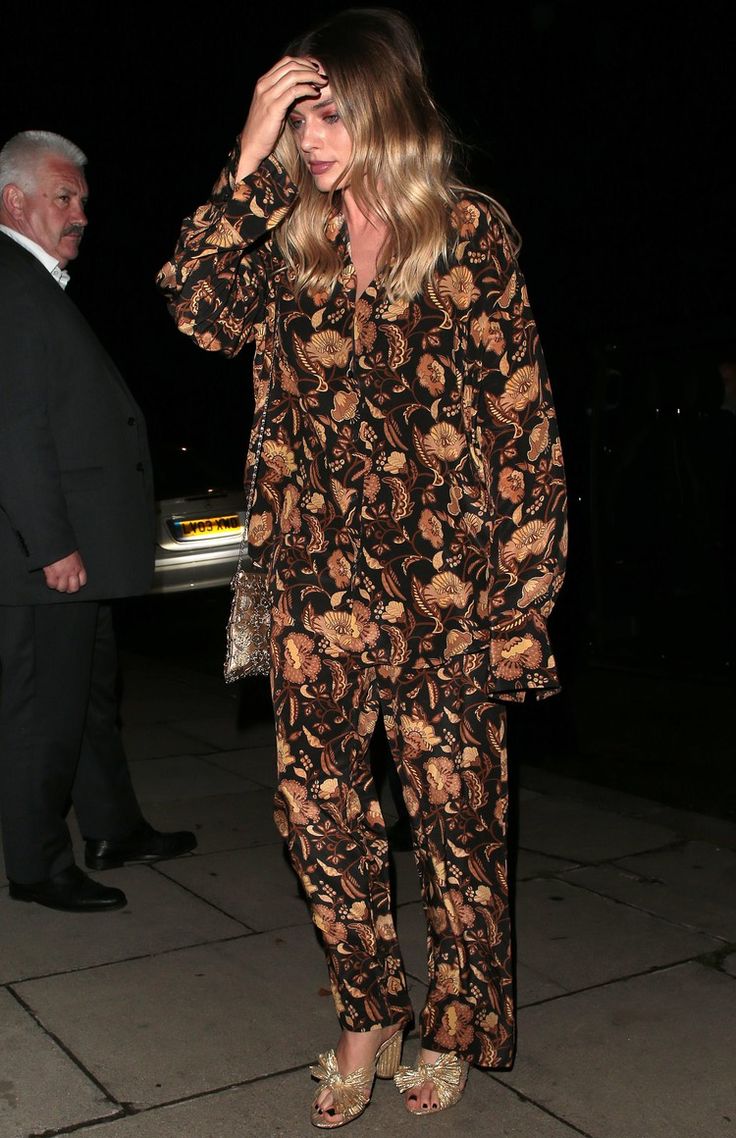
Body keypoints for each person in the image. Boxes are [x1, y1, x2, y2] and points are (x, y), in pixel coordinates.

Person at [159, 8, 566, 1126]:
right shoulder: (289, 241)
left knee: (459, 824)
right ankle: (364, 1011)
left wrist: (519, 609)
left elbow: (524, 435)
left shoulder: (469, 233)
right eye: (297, 118)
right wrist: (244, 161)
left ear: (385, 107)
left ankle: (453, 1019)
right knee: (318, 817)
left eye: (329, 112)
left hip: (447, 596)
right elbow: (196, 311)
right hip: (314, 593)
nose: (313, 137)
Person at [0, 130, 197, 914]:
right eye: (63, 196)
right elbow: (12, 428)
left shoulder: (34, 282)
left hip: (73, 552)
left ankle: (113, 826)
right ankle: (37, 864)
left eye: (83, 198)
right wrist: (52, 544)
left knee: (86, 696)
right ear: (13, 199)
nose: (81, 211)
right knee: (41, 713)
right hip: (41, 557)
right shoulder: (9, 283)